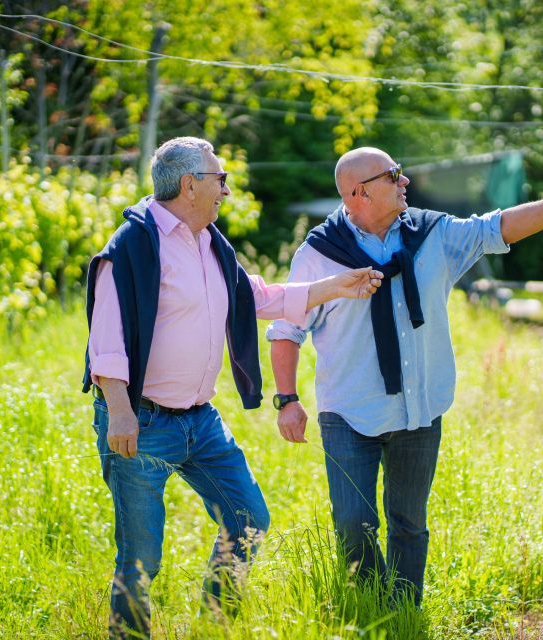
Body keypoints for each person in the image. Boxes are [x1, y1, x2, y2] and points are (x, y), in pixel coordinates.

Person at [266, 146, 543, 606]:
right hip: (349, 411)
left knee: (409, 522)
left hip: (419, 408)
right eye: (394, 175)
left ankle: (404, 611)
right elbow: (286, 328)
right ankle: (368, 609)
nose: (405, 182)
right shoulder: (319, 254)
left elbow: (495, 228)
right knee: (351, 523)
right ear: (359, 193)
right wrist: (288, 398)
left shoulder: (431, 233)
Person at [82, 136, 382, 639]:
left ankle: (214, 624)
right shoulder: (133, 247)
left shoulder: (209, 242)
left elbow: (255, 297)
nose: (225, 189)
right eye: (219, 179)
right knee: (141, 556)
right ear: (189, 185)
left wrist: (336, 285)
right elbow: (106, 339)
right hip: (143, 421)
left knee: (247, 518)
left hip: (200, 421)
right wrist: (119, 409)